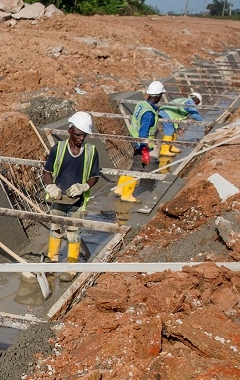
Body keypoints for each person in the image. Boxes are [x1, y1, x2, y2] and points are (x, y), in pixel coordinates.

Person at [41, 111, 100, 281]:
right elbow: (47, 171)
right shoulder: (58, 149)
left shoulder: (91, 151)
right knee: (55, 230)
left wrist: (84, 186)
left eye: (84, 135)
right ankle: (52, 262)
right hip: (58, 197)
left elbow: (95, 175)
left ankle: (71, 267)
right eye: (79, 134)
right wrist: (51, 185)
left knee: (74, 233)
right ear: (70, 131)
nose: (82, 138)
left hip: (77, 200)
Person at [114, 81, 164, 203]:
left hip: (134, 138)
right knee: (138, 168)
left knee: (134, 164)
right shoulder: (149, 113)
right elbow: (143, 133)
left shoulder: (142, 104)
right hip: (141, 142)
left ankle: (120, 188)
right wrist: (145, 150)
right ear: (157, 95)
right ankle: (127, 194)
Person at [157, 92, 203, 158]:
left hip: (167, 113)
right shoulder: (190, 102)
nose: (196, 104)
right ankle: (164, 150)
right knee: (169, 131)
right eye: (197, 102)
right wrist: (203, 122)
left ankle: (171, 146)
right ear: (196, 99)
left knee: (173, 130)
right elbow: (194, 115)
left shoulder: (185, 100)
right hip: (167, 113)